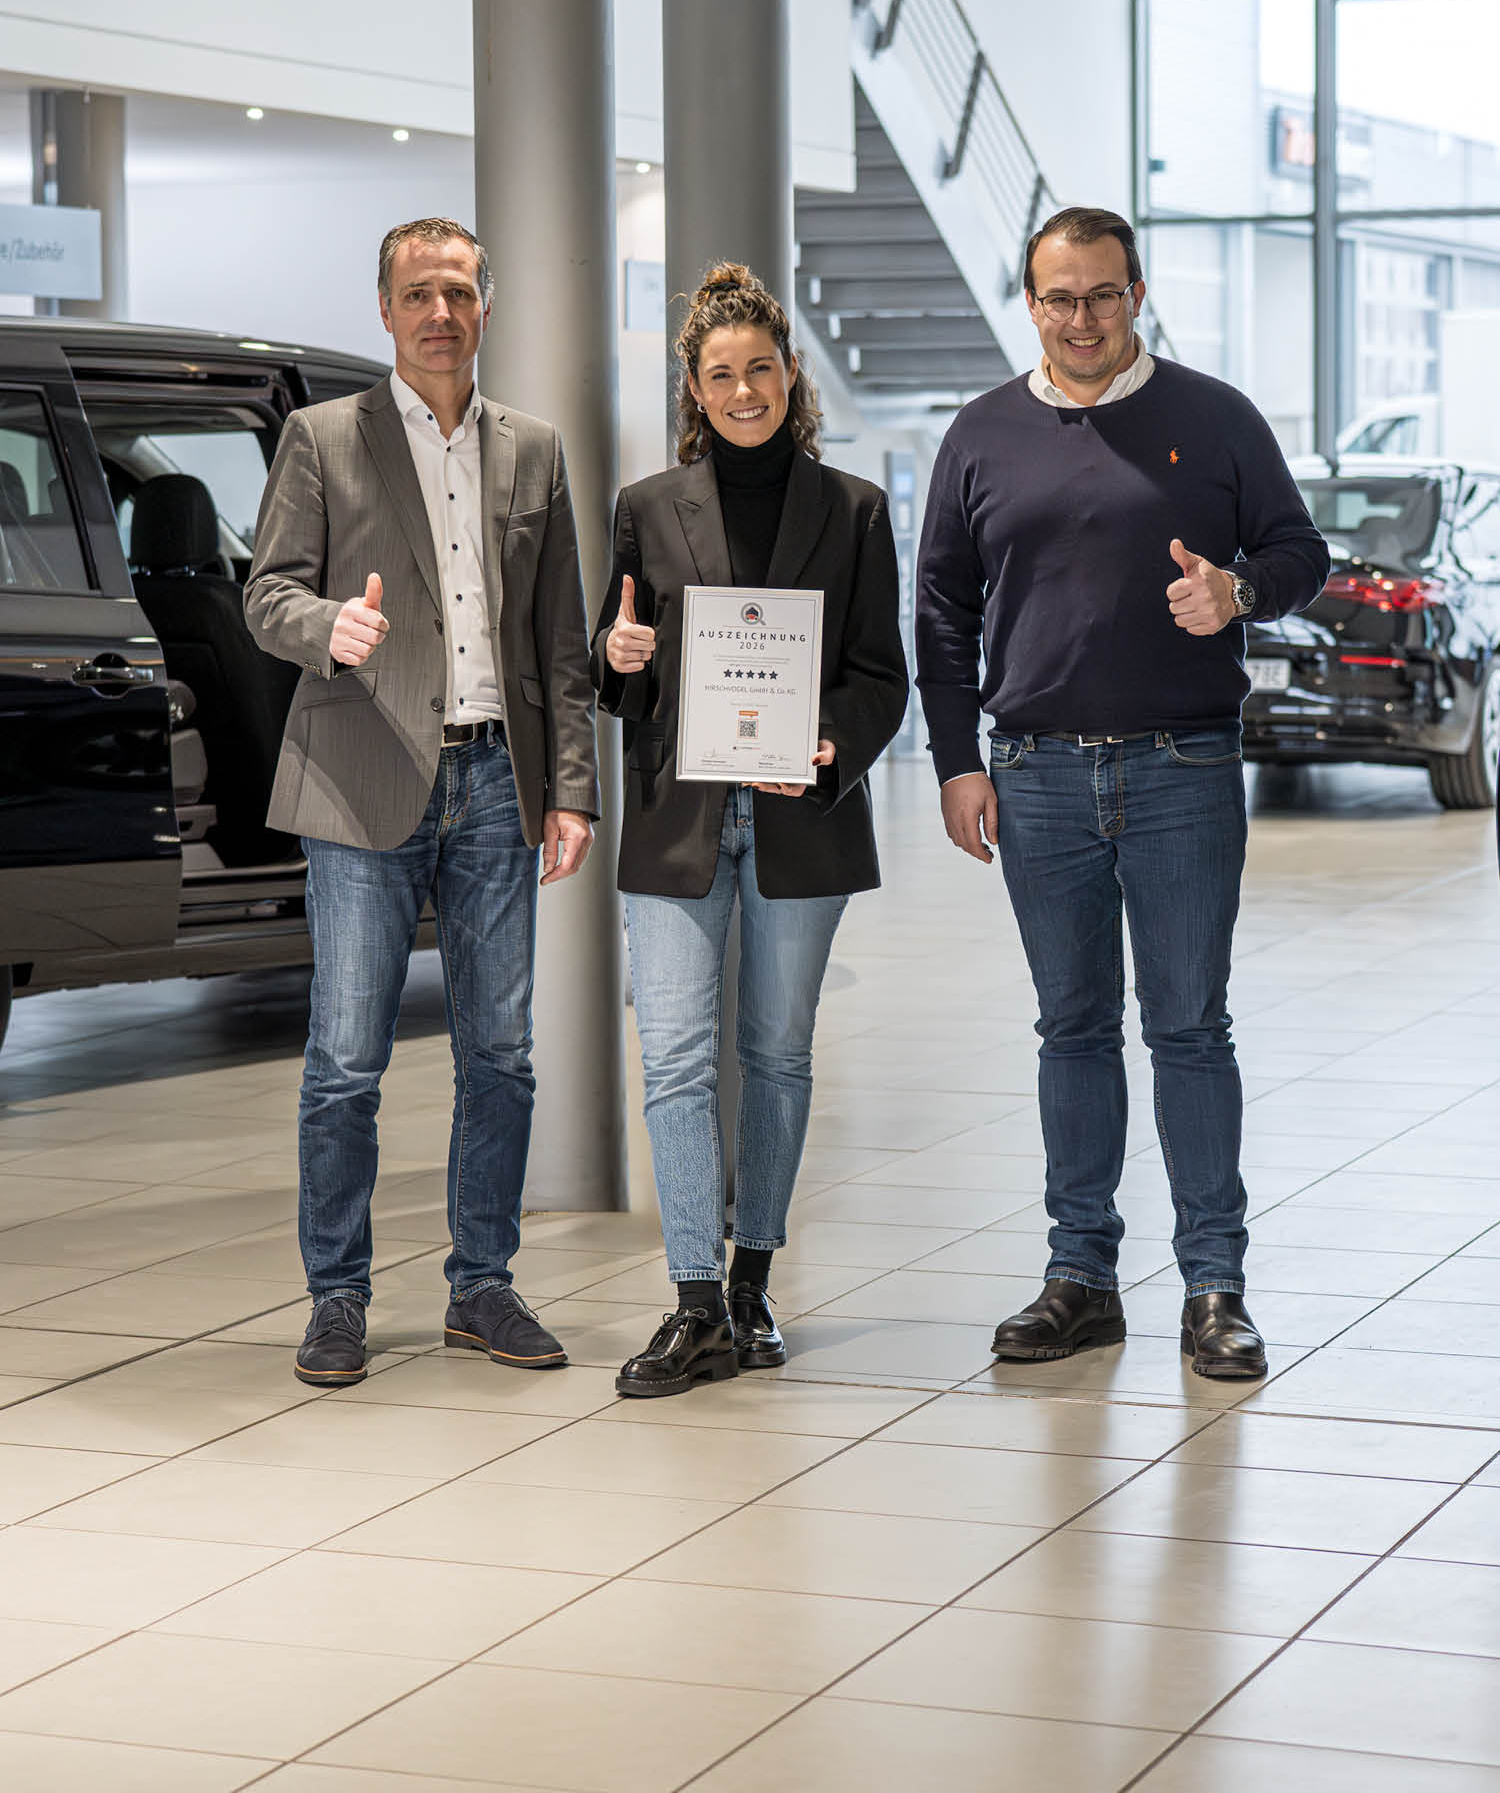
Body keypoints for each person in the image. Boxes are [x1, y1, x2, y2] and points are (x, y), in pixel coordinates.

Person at [915, 205, 1329, 1381]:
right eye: (1059, 297)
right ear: (1030, 301)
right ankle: (1081, 1277)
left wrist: (1239, 593)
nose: (1081, 318)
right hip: (1037, 771)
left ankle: (1214, 1286)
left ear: (1135, 292)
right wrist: (957, 759)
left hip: (1184, 765)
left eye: (1102, 294)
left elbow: (1303, 552)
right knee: (1072, 1026)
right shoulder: (983, 433)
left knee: (1191, 1025)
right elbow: (940, 606)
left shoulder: (1215, 416)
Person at [245, 216, 599, 1387]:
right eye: (417, 293)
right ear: (386, 311)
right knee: (347, 1057)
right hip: (360, 777)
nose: (439, 312)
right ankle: (336, 1297)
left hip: (498, 780)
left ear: (485, 304)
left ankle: (481, 1285)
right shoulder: (321, 436)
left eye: (458, 290)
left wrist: (571, 790)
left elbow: (559, 640)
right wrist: (325, 627)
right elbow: (269, 593)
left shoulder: (534, 449)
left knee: (501, 1052)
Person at [594, 261, 908, 1398]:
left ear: (790, 376)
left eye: (759, 369)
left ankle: (753, 1281)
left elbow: (882, 676)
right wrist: (616, 661)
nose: (742, 391)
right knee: (676, 1060)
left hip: (799, 824)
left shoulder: (856, 511)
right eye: (720, 374)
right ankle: (692, 1301)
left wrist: (828, 742)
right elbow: (615, 666)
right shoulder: (645, 508)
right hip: (680, 825)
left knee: (775, 1055)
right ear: (694, 384)